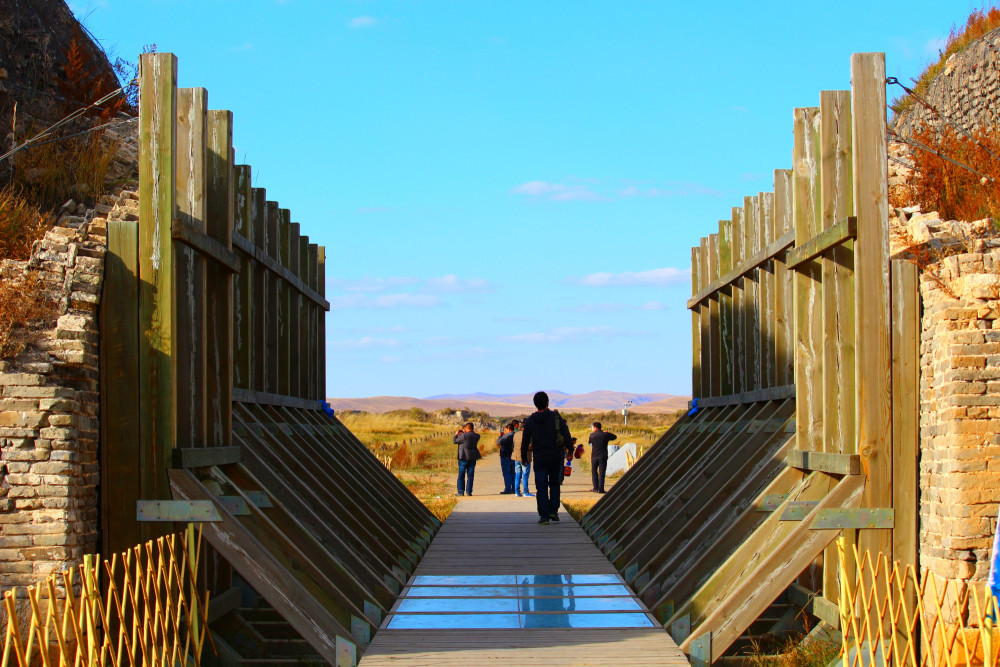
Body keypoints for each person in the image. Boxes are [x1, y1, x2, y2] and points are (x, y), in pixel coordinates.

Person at [521, 392, 574, 525]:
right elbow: (566, 434)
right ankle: (553, 511)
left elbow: (525, 440)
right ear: (548, 402)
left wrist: (523, 457)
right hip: (556, 456)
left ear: (535, 404)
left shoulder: (531, 420)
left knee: (541, 486)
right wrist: (570, 450)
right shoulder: (555, 417)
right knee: (555, 483)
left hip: (539, 457)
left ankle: (544, 516)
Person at [588, 421, 617, 493]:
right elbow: (614, 437)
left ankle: (595, 487)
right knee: (602, 473)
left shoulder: (592, 435)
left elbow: (590, 443)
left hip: (594, 456)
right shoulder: (605, 435)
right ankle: (601, 489)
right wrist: (606, 433)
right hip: (603, 456)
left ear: (595, 427)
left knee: (594, 472)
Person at [453, 422, 481, 496]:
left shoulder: (464, 436)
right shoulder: (477, 436)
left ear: (467, 428)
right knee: (470, 475)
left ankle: (460, 491)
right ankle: (469, 491)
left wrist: (456, 434)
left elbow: (455, 441)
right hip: (472, 458)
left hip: (463, 457)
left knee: (461, 475)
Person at [510, 419, 533, 497]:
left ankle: (517, 492)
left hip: (516, 457)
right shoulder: (528, 435)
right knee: (525, 475)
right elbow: (530, 447)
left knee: (518, 475)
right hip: (525, 457)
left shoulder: (515, 434)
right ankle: (526, 492)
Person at [497, 424, 517, 494]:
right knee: (513, 473)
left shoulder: (507, 436)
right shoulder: (515, 435)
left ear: (508, 429)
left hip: (505, 456)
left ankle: (508, 489)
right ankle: (514, 488)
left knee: (506, 473)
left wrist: (500, 436)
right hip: (513, 456)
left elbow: (499, 442)